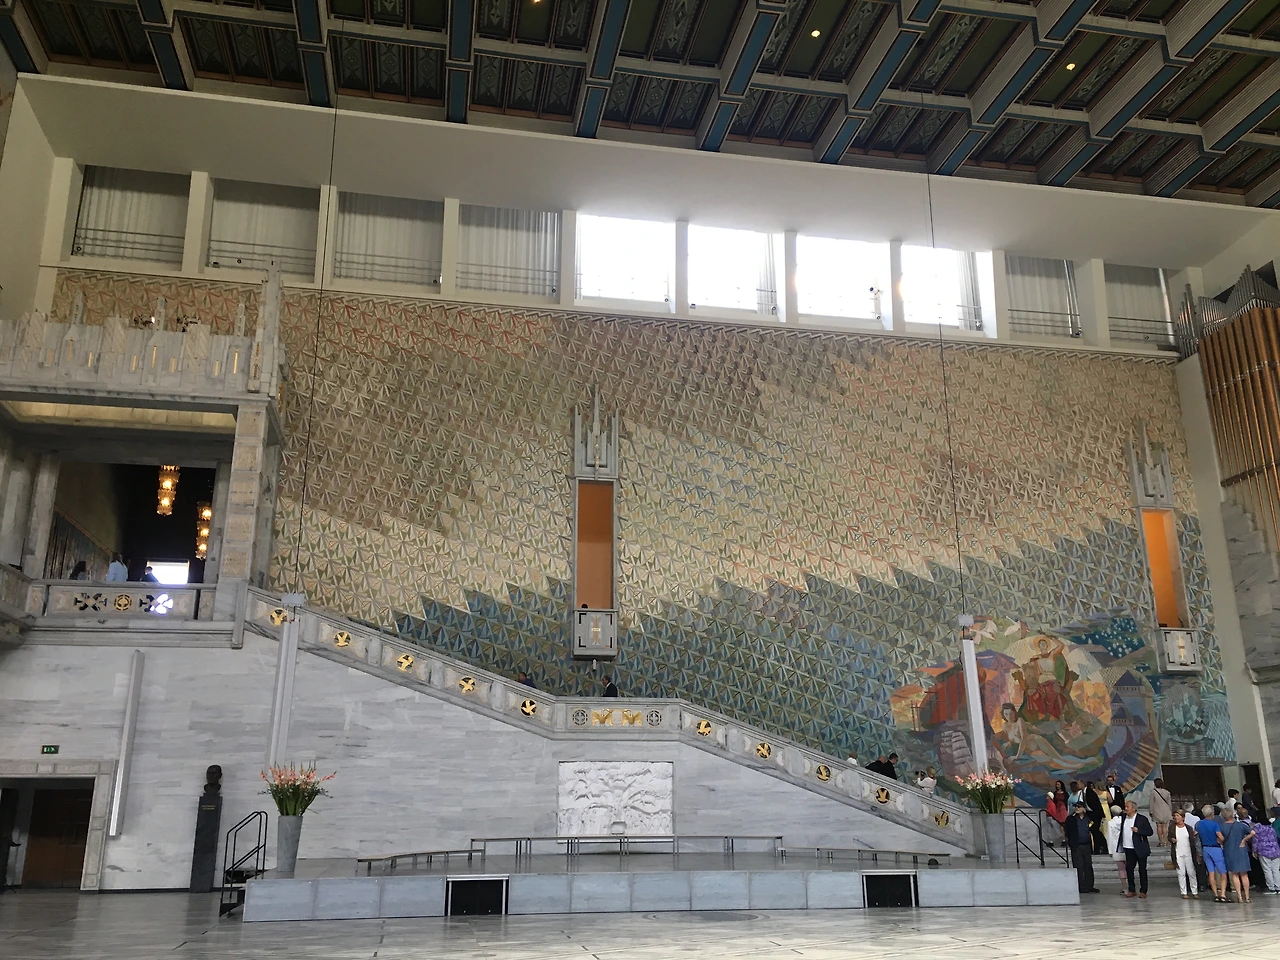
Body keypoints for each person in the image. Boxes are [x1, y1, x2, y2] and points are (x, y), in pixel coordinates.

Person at [1119, 799, 1154, 898]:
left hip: (1140, 848)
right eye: (1125, 806)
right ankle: (1131, 889)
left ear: (1134, 809)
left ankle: (1143, 890)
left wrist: (1139, 831)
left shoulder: (1142, 819)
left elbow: (1150, 832)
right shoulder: (1123, 818)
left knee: (1142, 869)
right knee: (1129, 869)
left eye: (1128, 807)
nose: (1126, 808)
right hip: (1128, 848)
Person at [1220, 806, 1255, 903]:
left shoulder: (1221, 826)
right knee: (1244, 874)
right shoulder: (1240, 825)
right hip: (1241, 850)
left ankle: (1239, 896)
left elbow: (1220, 839)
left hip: (1229, 851)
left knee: (1234, 875)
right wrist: (1244, 840)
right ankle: (1247, 897)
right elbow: (1252, 832)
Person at [1197, 803, 1229, 902]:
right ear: (1211, 813)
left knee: (1211, 873)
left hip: (1205, 848)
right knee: (1222, 873)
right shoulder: (1214, 824)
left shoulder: (1199, 824)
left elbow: (1196, 835)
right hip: (1215, 848)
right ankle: (1222, 894)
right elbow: (1220, 837)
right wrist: (1221, 841)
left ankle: (1215, 894)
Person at [1065, 801, 1099, 894]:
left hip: (1087, 845)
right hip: (1077, 845)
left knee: (1088, 865)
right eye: (1076, 806)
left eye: (1079, 806)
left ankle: (1090, 885)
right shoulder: (1071, 819)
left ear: (1084, 808)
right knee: (1078, 866)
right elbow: (1067, 831)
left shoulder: (1089, 818)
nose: (1077, 808)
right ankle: (1081, 886)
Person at [1169, 809, 1201, 899]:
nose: (1176, 817)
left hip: (1188, 853)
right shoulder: (1172, 827)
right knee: (1181, 873)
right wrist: (1172, 839)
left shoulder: (1188, 828)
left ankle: (1194, 891)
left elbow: (1192, 840)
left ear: (1182, 817)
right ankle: (1184, 892)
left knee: (1191, 872)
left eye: (1178, 816)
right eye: (1175, 816)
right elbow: (1169, 837)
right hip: (1178, 852)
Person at [1250, 810, 1280, 894]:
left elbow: (1255, 839)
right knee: (1276, 869)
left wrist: (1254, 850)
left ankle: (1271, 888)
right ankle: (1278, 887)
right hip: (1275, 849)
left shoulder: (1257, 826)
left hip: (1263, 850)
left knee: (1267, 869)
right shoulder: (1270, 826)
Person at [1107, 805, 1129, 893]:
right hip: (1127, 846)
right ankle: (1131, 886)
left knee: (1121, 869)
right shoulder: (1126, 821)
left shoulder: (1111, 823)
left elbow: (1110, 837)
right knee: (1129, 868)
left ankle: (1125, 887)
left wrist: (1110, 850)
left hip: (1116, 848)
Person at [1084, 780, 1107, 854]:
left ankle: (1101, 846)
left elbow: (1096, 805)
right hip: (1091, 814)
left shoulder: (1090, 793)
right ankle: (1098, 847)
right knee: (1094, 831)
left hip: (1096, 814)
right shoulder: (1085, 792)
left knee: (1095, 830)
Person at [1149, 777, 1173, 846]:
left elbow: (1151, 803)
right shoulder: (1167, 792)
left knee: (1159, 826)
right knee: (1165, 826)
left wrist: (1151, 811)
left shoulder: (1153, 792)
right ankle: (1165, 841)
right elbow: (1169, 803)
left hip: (1157, 810)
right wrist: (1170, 811)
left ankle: (1161, 841)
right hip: (1166, 810)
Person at [1046, 782, 1070, 846]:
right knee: (1057, 825)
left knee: (1063, 825)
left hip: (1063, 809)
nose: (1057, 786)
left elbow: (1067, 801)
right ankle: (1061, 839)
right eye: (1056, 784)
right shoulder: (1055, 793)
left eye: (1058, 784)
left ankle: (1064, 839)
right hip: (1057, 809)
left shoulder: (1065, 793)